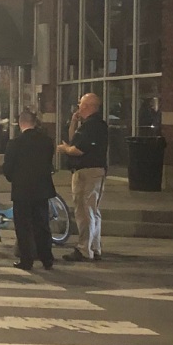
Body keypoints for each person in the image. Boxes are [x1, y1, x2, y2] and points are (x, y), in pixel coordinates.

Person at [57, 93, 108, 262]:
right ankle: (94, 247)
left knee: (84, 211)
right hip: (92, 171)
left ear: (87, 106)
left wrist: (65, 149)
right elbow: (74, 140)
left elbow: (78, 149)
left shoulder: (92, 126)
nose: (78, 106)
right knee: (92, 210)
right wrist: (73, 122)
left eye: (80, 104)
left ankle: (84, 248)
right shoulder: (89, 125)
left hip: (87, 171)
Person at [3, 110, 56, 271]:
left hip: (22, 191)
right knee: (42, 225)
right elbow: (48, 163)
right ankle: (47, 258)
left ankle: (27, 260)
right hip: (42, 189)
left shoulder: (15, 143)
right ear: (34, 123)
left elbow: (8, 168)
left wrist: (14, 179)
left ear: (21, 123)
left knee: (24, 227)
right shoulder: (47, 141)